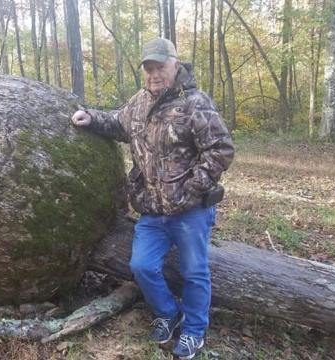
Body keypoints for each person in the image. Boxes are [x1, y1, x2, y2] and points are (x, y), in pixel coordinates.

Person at [71, 38, 234, 359]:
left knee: (194, 272)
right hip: (152, 211)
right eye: (149, 68)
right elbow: (119, 123)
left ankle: (194, 330)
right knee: (141, 266)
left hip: (191, 211)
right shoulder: (140, 102)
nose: (154, 74)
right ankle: (167, 312)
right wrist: (90, 117)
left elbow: (221, 149)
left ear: (175, 65)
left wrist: (193, 187)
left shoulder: (195, 103)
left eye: (160, 66)